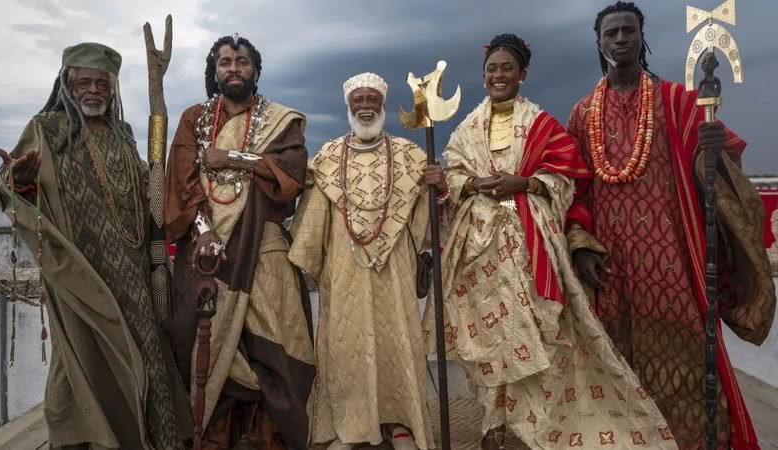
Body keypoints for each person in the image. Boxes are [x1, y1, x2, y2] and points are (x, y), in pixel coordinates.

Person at [425, 33, 677, 450]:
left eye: (507, 68)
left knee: (534, 337)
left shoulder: (543, 125)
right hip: (479, 253)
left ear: (522, 74)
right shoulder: (466, 129)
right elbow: (452, 180)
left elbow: (567, 180)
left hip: (528, 247)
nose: (498, 75)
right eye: (492, 69)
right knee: (488, 342)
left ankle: (535, 427)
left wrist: (523, 182)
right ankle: (492, 424)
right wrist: (467, 184)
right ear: (483, 76)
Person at [566, 2, 775, 448]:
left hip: (672, 260)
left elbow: (715, 165)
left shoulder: (679, 101)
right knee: (614, 360)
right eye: (610, 33)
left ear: (642, 37)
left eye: (628, 30)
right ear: (598, 43)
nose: (620, 39)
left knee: (685, 356)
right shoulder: (582, 114)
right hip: (610, 265)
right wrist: (580, 244)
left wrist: (712, 149)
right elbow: (574, 189)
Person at [0, 42, 192, 449]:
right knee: (84, 359)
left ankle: (157, 439)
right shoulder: (46, 129)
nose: (94, 90)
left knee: (149, 354)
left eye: (103, 83)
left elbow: (147, 187)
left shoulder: (123, 133)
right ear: (67, 84)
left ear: (113, 88)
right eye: (85, 82)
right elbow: (10, 183)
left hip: (134, 271)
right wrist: (21, 182)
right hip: (82, 272)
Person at [163, 35, 314, 450]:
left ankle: (271, 433)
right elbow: (181, 181)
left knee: (275, 343)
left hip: (264, 250)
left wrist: (232, 158)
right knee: (204, 342)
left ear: (256, 71)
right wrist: (204, 231)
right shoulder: (195, 119)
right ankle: (215, 432)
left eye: (242, 61)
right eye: (226, 62)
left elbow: (293, 174)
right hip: (207, 255)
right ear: (215, 71)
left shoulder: (281, 121)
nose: (234, 68)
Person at [288, 72, 434, 450]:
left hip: (395, 266)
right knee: (345, 346)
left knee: (398, 341)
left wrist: (438, 187)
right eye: (358, 100)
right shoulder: (328, 157)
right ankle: (350, 428)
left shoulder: (408, 155)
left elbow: (429, 210)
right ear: (348, 105)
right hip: (344, 265)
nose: (365, 106)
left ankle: (400, 424)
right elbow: (313, 214)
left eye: (372, 99)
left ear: (382, 105)